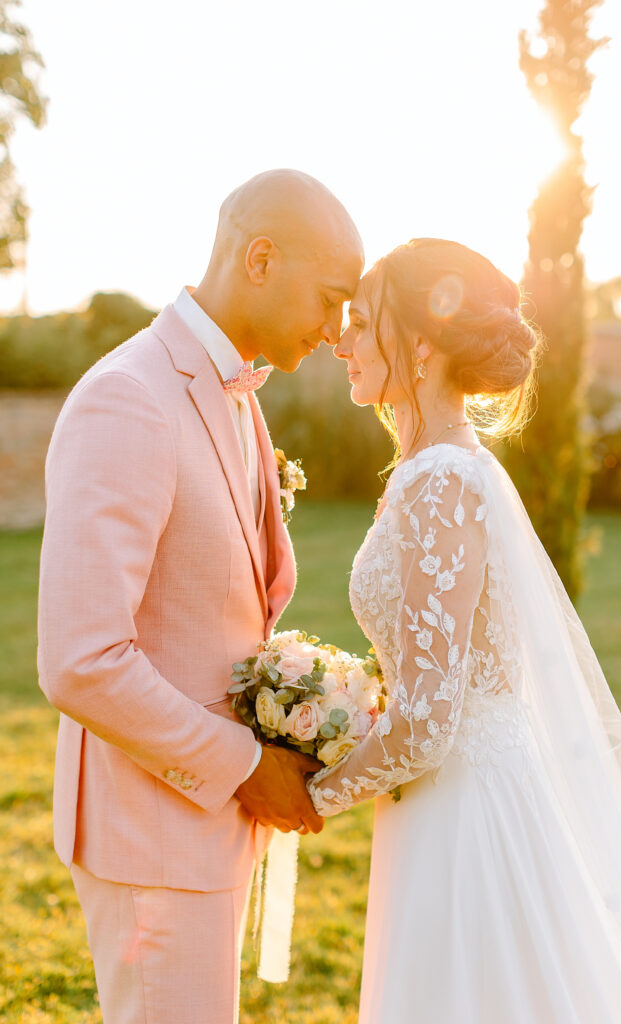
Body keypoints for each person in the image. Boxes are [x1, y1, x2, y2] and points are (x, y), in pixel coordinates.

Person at [307, 237, 621, 1023]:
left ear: (418, 342)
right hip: (448, 791)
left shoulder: (443, 479)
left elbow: (424, 729)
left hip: (468, 809)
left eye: (360, 322)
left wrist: (306, 793)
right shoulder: (430, 470)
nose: (339, 341)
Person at [37, 169, 364, 1023]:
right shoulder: (129, 397)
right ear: (260, 258)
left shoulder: (230, 395)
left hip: (199, 830)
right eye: (329, 299)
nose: (336, 331)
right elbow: (81, 660)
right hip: (152, 832)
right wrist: (249, 766)